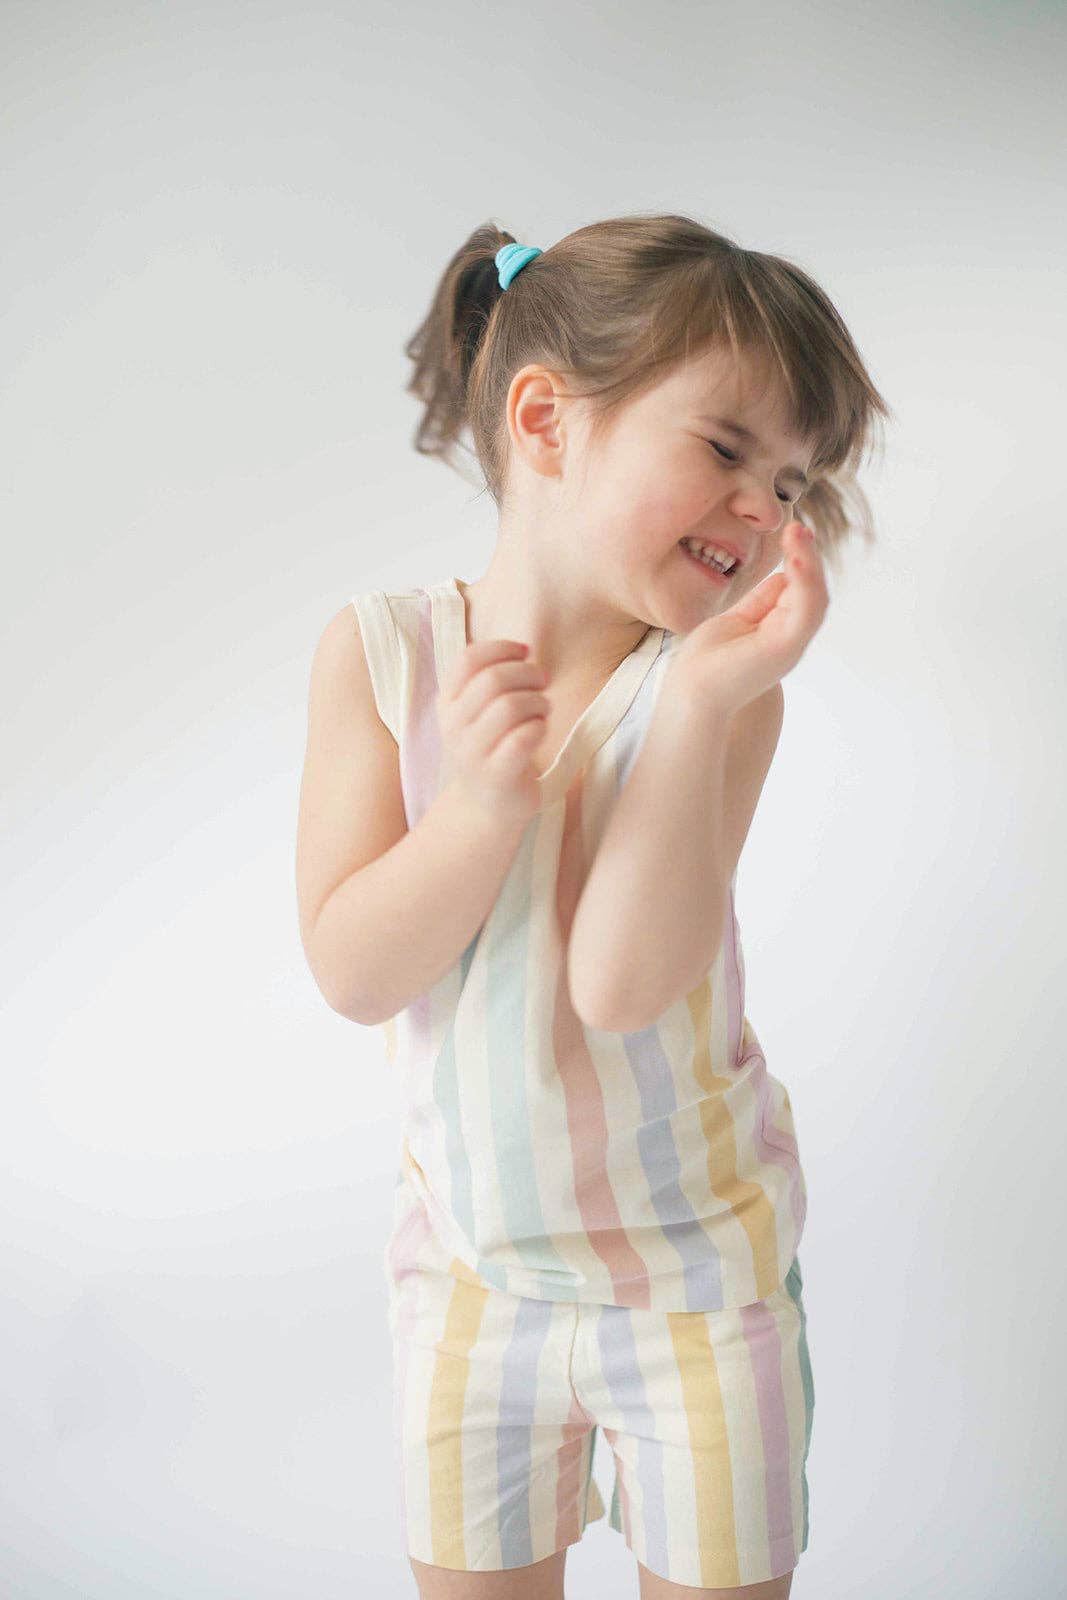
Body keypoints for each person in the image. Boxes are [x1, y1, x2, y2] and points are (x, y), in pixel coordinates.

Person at [296, 214, 891, 1600]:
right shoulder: (384, 656)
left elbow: (624, 985)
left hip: (699, 1294)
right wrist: (476, 812)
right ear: (546, 420)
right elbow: (352, 970)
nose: (764, 509)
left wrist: (701, 701)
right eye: (726, 448)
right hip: (472, 1287)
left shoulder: (716, 695)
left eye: (792, 482)